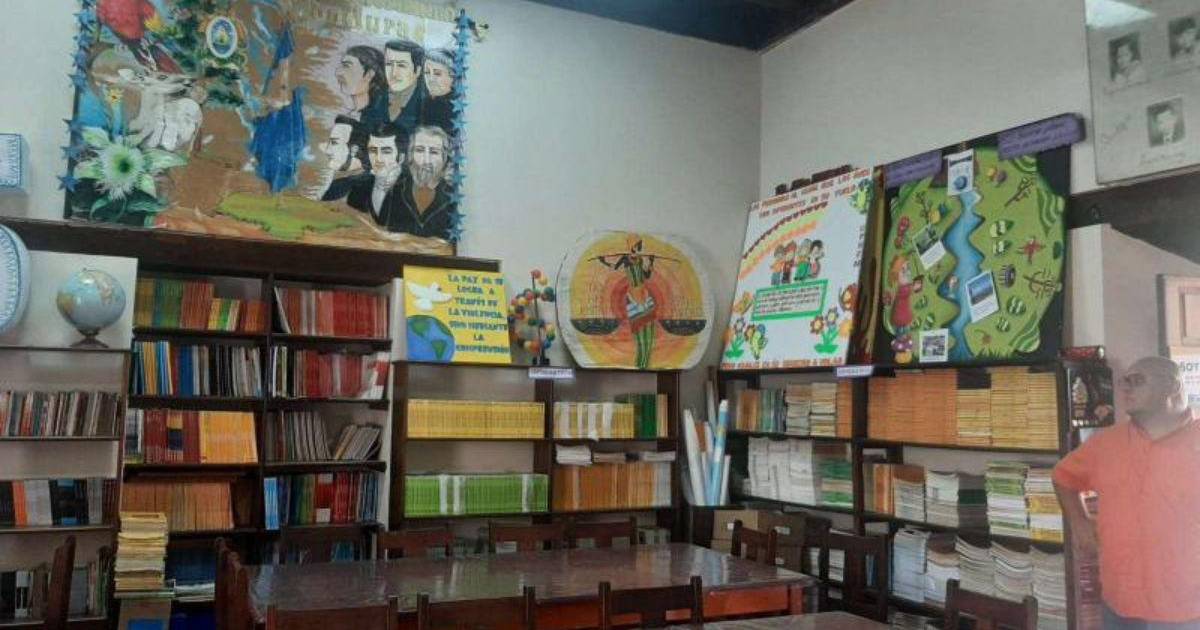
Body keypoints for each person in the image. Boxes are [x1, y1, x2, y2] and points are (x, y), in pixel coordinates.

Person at [1053, 357, 1200, 630]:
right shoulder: (1106, 444)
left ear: (1172, 386)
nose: (1126, 388)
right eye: (1125, 381)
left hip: (1188, 610)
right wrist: (1079, 523)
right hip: (1119, 603)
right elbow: (1063, 477)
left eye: (1138, 380)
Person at [321, 123, 405, 229]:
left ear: (401, 157)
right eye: (373, 151)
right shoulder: (352, 186)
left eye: (386, 152)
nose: (378, 158)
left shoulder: (410, 190)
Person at [387, 125, 455, 239]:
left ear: (444, 158)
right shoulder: (396, 190)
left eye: (434, 152)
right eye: (419, 150)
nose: (426, 160)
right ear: (410, 155)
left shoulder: (453, 197)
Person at [335, 45, 389, 127]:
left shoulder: (377, 121)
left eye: (346, 66)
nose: (338, 73)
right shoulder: (351, 117)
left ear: (369, 74)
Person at [383, 38, 426, 135]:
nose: (393, 73)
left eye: (401, 65)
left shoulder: (426, 104)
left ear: (417, 71)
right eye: (389, 64)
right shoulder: (375, 96)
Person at [421, 47, 456, 132]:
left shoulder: (458, 108)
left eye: (437, 73)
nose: (431, 79)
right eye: (427, 72)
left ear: (453, 76)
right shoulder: (423, 104)